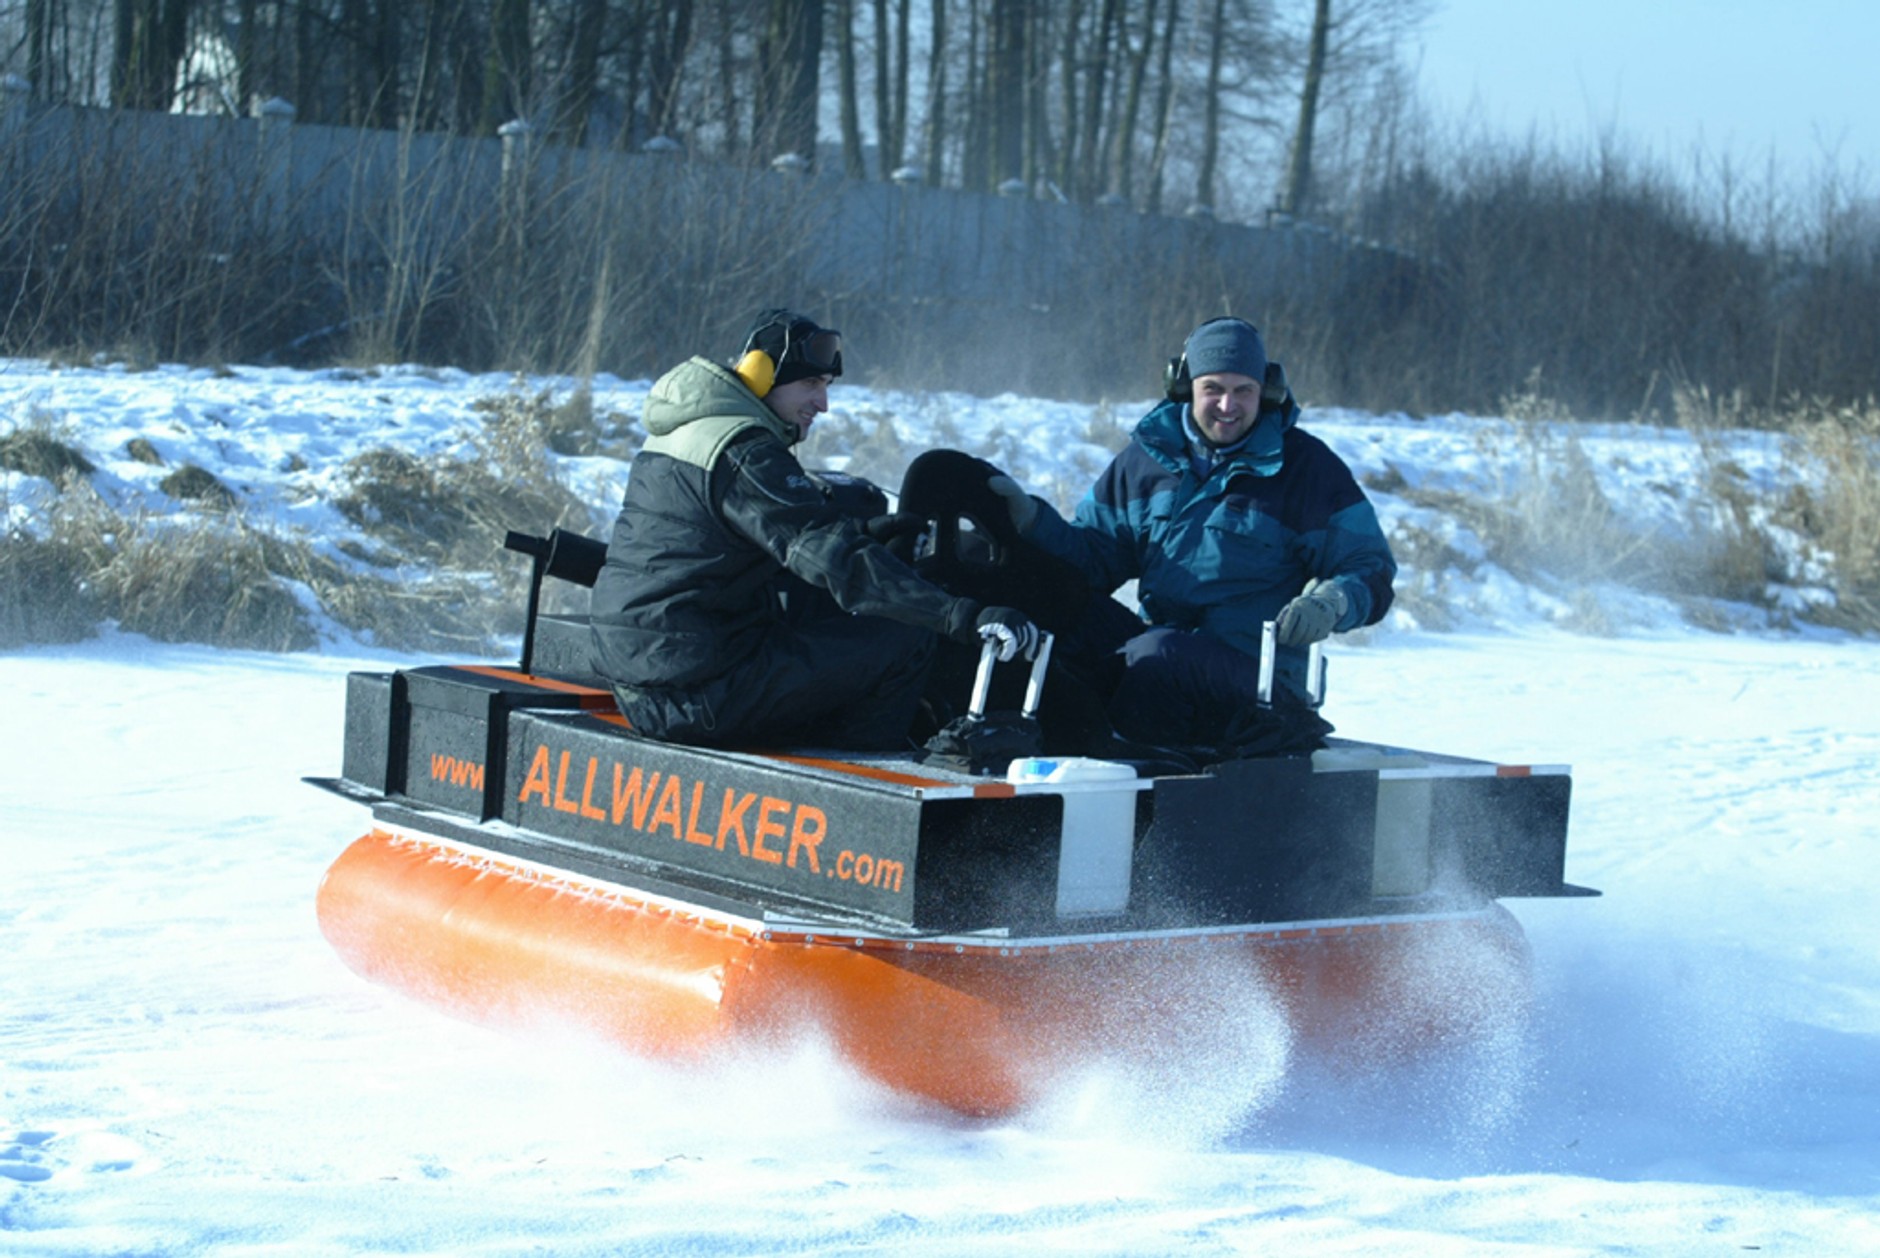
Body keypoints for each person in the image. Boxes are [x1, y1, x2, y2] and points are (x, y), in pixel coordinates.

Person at [589, 308, 1040, 751]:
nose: (822, 404)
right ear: (760, 375)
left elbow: (734, 539)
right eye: (810, 384)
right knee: (907, 640)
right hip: (699, 692)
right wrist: (959, 614)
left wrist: (862, 531)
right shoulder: (747, 452)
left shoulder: (688, 431)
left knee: (817, 616)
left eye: (825, 387)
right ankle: (866, 787)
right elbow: (832, 560)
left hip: (647, 678)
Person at [987, 316, 1396, 755]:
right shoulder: (1144, 462)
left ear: (1268, 391)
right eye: (1213, 389)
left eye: (1244, 391)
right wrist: (1030, 521)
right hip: (1162, 658)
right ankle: (1029, 749)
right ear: (1184, 387)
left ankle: (1148, 773)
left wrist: (1333, 602)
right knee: (1062, 624)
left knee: (1158, 655)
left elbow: (1368, 567)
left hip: (1259, 683)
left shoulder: (1306, 470)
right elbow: (1090, 561)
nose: (1228, 405)